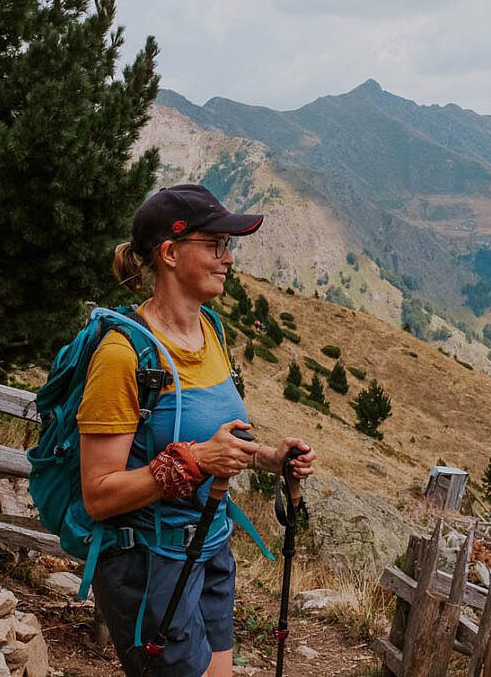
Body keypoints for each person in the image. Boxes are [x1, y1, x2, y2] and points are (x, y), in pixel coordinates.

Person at [76, 184, 316, 676]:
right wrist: (195, 462)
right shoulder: (123, 356)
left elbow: (218, 436)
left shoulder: (211, 329)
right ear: (169, 252)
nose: (227, 259)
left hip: (210, 547)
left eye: (228, 246)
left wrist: (271, 458)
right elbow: (97, 496)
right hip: (148, 564)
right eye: (215, 245)